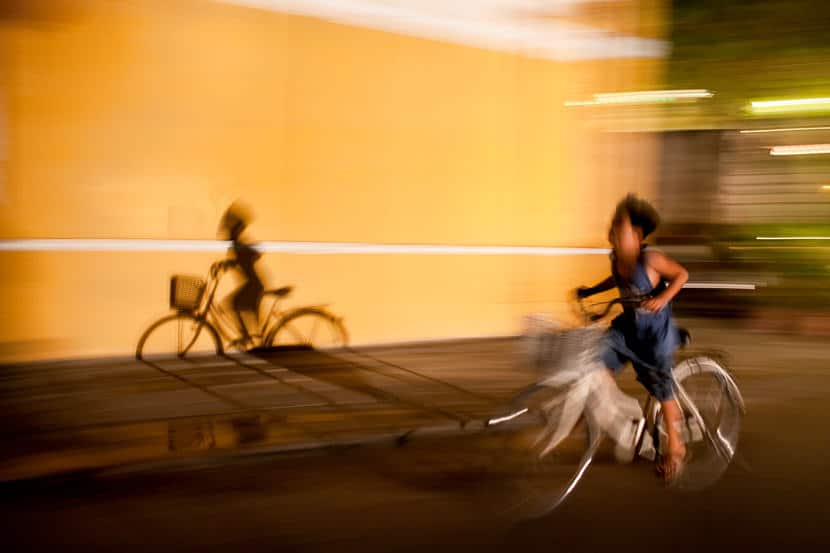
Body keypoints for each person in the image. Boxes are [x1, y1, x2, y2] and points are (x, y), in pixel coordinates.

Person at [577, 194, 689, 482]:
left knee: (661, 387)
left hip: (654, 335)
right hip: (627, 330)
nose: (613, 230)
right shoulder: (617, 260)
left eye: (620, 225)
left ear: (637, 235)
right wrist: (591, 292)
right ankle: (623, 421)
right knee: (594, 363)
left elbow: (681, 275)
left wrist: (663, 297)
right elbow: (616, 281)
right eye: (613, 224)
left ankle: (676, 446)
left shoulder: (651, 259)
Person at [218, 202, 266, 348]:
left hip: (253, 285)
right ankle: (249, 336)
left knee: (232, 304)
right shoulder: (238, 244)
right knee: (239, 307)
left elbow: (251, 256)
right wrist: (227, 264)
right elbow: (239, 260)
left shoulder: (239, 244)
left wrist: (232, 263)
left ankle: (247, 337)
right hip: (252, 284)